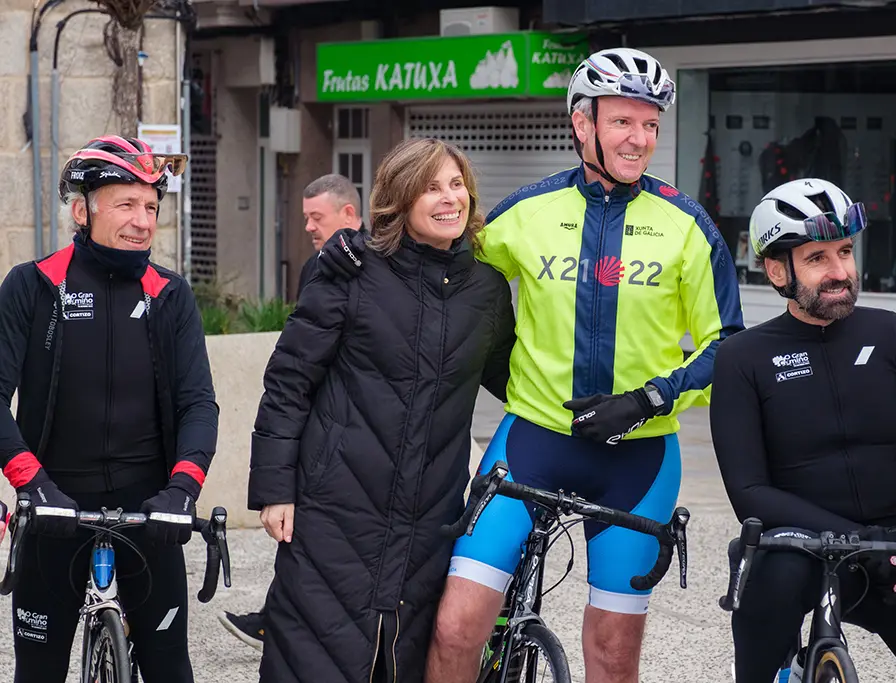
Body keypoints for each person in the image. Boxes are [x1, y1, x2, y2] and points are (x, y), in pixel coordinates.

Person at [320, 47, 744, 683]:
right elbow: (434, 258)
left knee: (612, 654)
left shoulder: (688, 226)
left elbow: (727, 346)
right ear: (582, 124)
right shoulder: (527, 213)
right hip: (533, 441)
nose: (639, 138)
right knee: (457, 627)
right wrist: (355, 253)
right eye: (623, 121)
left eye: (651, 124)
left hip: (641, 456)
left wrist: (652, 398)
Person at [709, 177, 896, 682]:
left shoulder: (888, 333)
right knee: (771, 574)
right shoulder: (742, 358)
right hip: (800, 551)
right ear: (777, 270)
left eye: (844, 251)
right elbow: (748, 491)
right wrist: (857, 538)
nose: (841, 271)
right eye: (818, 258)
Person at [247, 137, 516, 683]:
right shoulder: (353, 270)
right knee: (313, 657)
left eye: (457, 184)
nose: (449, 199)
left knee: (401, 662)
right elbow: (289, 381)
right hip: (334, 509)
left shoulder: (486, 290)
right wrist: (276, 487)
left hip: (430, 516)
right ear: (399, 199)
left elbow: (516, 379)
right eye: (431, 187)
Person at [0, 135, 219, 682]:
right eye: (126, 204)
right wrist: (30, 482)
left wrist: (182, 489)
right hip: (53, 505)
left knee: (171, 668)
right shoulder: (32, 286)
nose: (143, 221)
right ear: (82, 210)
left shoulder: (171, 295)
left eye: (151, 206)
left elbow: (199, 403)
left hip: (150, 509)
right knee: (38, 671)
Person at [217, 172, 363, 650]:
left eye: (316, 217)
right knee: (298, 537)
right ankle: (276, 620)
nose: (307, 227)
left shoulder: (375, 267)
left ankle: (281, 623)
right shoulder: (316, 266)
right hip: (312, 422)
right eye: (304, 218)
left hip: (348, 431)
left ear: (348, 214)